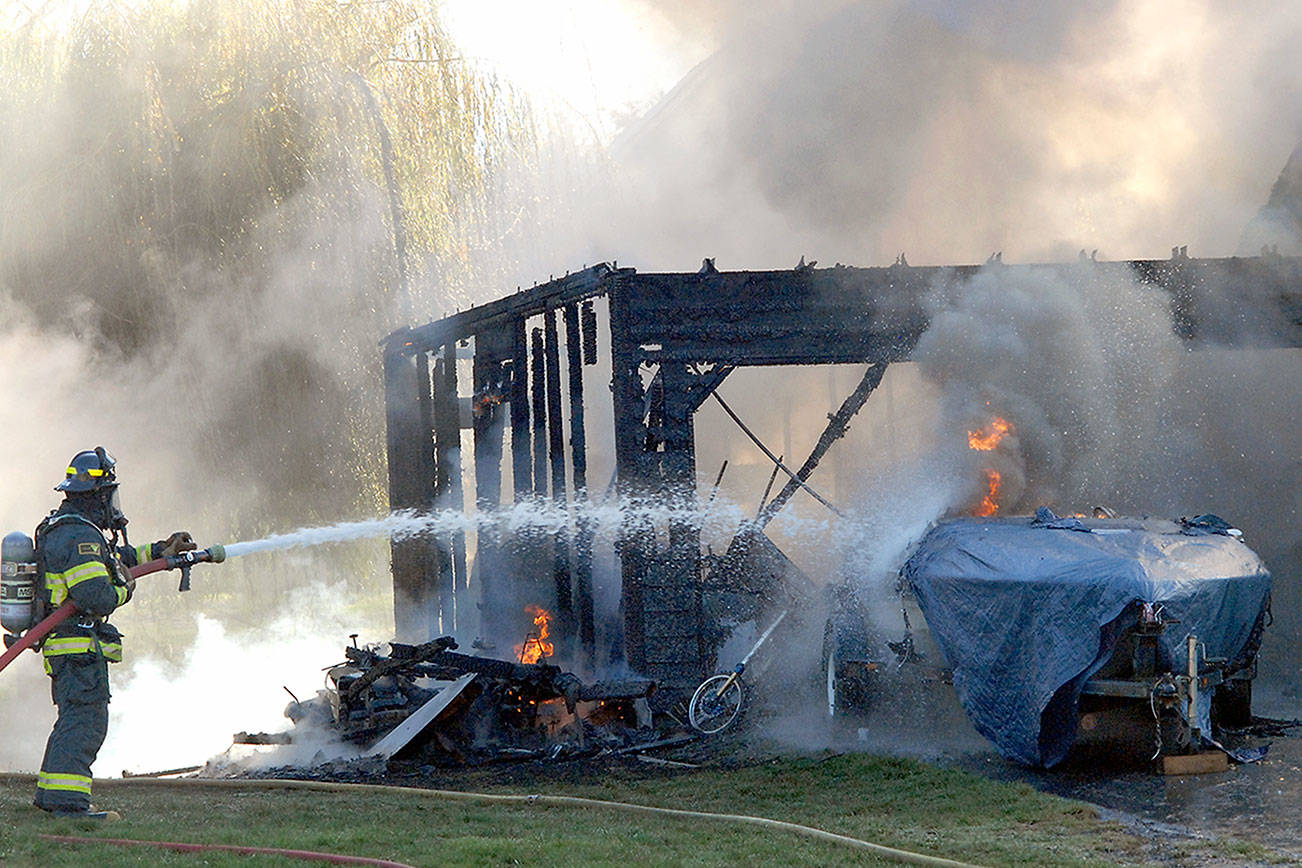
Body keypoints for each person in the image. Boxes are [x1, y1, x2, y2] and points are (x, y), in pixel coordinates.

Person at [32, 447, 194, 819]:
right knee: (86, 721)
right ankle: (69, 805)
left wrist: (160, 550)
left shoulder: (71, 529)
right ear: (97, 495)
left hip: (70, 648)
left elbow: (110, 563)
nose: (113, 503)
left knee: (75, 718)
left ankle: (50, 793)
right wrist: (126, 588)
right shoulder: (78, 536)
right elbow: (98, 595)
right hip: (78, 648)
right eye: (109, 494)